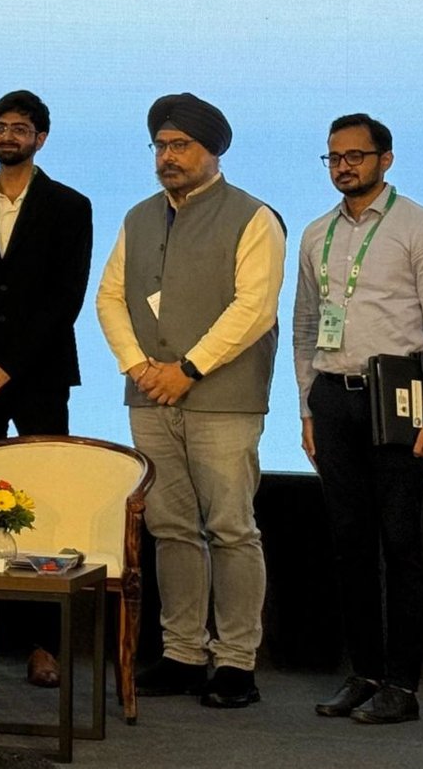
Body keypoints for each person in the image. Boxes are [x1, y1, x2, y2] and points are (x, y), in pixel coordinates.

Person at [94, 93, 284, 710]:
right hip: (149, 396)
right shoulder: (138, 216)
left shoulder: (254, 217)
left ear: (213, 151)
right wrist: (138, 367)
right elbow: (110, 298)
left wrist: (189, 370)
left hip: (223, 399)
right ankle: (182, 654)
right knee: (170, 526)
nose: (167, 157)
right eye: (160, 146)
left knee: (230, 528)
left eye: (180, 146)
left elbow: (254, 308)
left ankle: (235, 662)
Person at [293, 114, 423, 725]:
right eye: (334, 157)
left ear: (385, 160)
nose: (344, 167)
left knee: (399, 542)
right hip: (332, 398)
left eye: (356, 156)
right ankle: (364, 673)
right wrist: (306, 406)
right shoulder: (316, 234)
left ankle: (402, 685)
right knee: (350, 544)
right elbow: (305, 327)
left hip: (400, 399)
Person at [0, 90, 93, 686]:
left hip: (38, 378)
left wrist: (9, 365)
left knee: (43, 507)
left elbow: (66, 298)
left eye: (20, 128)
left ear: (41, 138)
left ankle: (42, 645)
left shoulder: (70, 205)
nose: (8, 135)